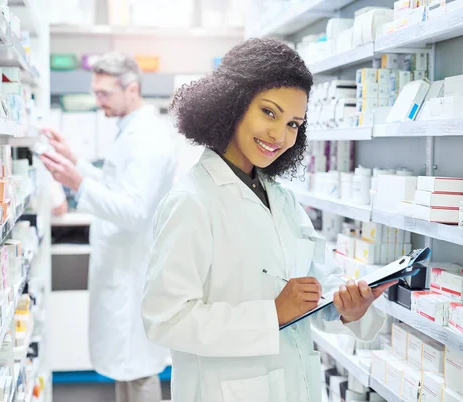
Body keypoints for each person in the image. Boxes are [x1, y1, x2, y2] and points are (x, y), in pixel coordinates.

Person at [141, 38, 394, 402]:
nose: (280, 135)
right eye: (269, 113)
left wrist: (348, 306)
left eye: (293, 123)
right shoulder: (192, 201)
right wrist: (271, 314)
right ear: (232, 103)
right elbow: (164, 319)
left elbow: (314, 280)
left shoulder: (280, 197)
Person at [40, 52, 176, 402]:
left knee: (139, 368)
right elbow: (116, 183)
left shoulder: (147, 137)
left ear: (131, 89)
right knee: (125, 367)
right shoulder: (131, 130)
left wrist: (77, 184)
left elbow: (133, 210)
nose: (97, 100)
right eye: (95, 91)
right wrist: (76, 162)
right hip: (123, 266)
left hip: (134, 271)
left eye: (104, 93)